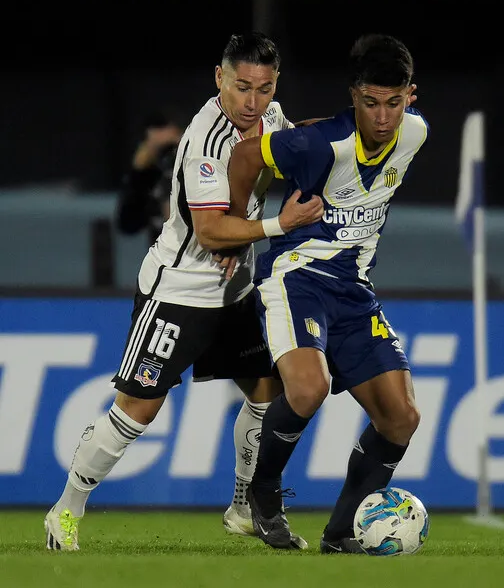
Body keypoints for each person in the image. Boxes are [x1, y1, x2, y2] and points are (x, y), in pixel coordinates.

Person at [44, 31, 325, 551]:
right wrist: (278, 225)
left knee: (268, 397)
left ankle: (243, 506)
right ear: (219, 78)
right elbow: (212, 233)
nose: (252, 101)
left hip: (234, 291)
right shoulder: (206, 140)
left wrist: (342, 132)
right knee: (137, 410)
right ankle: (66, 509)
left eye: (263, 89)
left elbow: (298, 139)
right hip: (179, 291)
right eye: (241, 87)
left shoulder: (271, 117)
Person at [226, 33, 427, 552]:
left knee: (402, 417)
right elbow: (246, 158)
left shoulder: (416, 133)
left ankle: (340, 534)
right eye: (369, 102)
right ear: (353, 95)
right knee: (308, 389)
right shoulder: (321, 145)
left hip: (355, 291)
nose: (382, 117)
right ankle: (262, 492)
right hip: (297, 277)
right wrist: (243, 223)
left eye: (394, 102)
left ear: (411, 95)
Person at [116, 111, 185, 247]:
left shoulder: (198, 166)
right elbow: (128, 225)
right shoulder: (151, 176)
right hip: (164, 260)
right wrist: (139, 172)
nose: (169, 153)